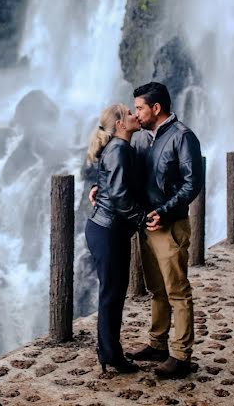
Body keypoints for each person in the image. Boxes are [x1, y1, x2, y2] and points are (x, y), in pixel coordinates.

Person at [124, 82, 203, 379]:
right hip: (147, 223)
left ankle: (181, 356)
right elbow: (129, 172)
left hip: (170, 226)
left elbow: (192, 183)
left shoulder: (183, 137)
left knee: (177, 291)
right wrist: (99, 186)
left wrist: (164, 212)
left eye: (140, 108)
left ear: (156, 108)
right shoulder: (143, 138)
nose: (136, 114)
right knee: (157, 289)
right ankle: (158, 344)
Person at [84, 103, 145, 374]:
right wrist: (143, 218)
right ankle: (110, 354)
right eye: (130, 113)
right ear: (120, 123)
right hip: (108, 231)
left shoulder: (116, 148)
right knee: (112, 295)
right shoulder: (119, 148)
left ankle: (109, 351)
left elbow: (111, 184)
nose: (135, 115)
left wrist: (98, 188)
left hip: (104, 228)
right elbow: (119, 196)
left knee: (112, 293)